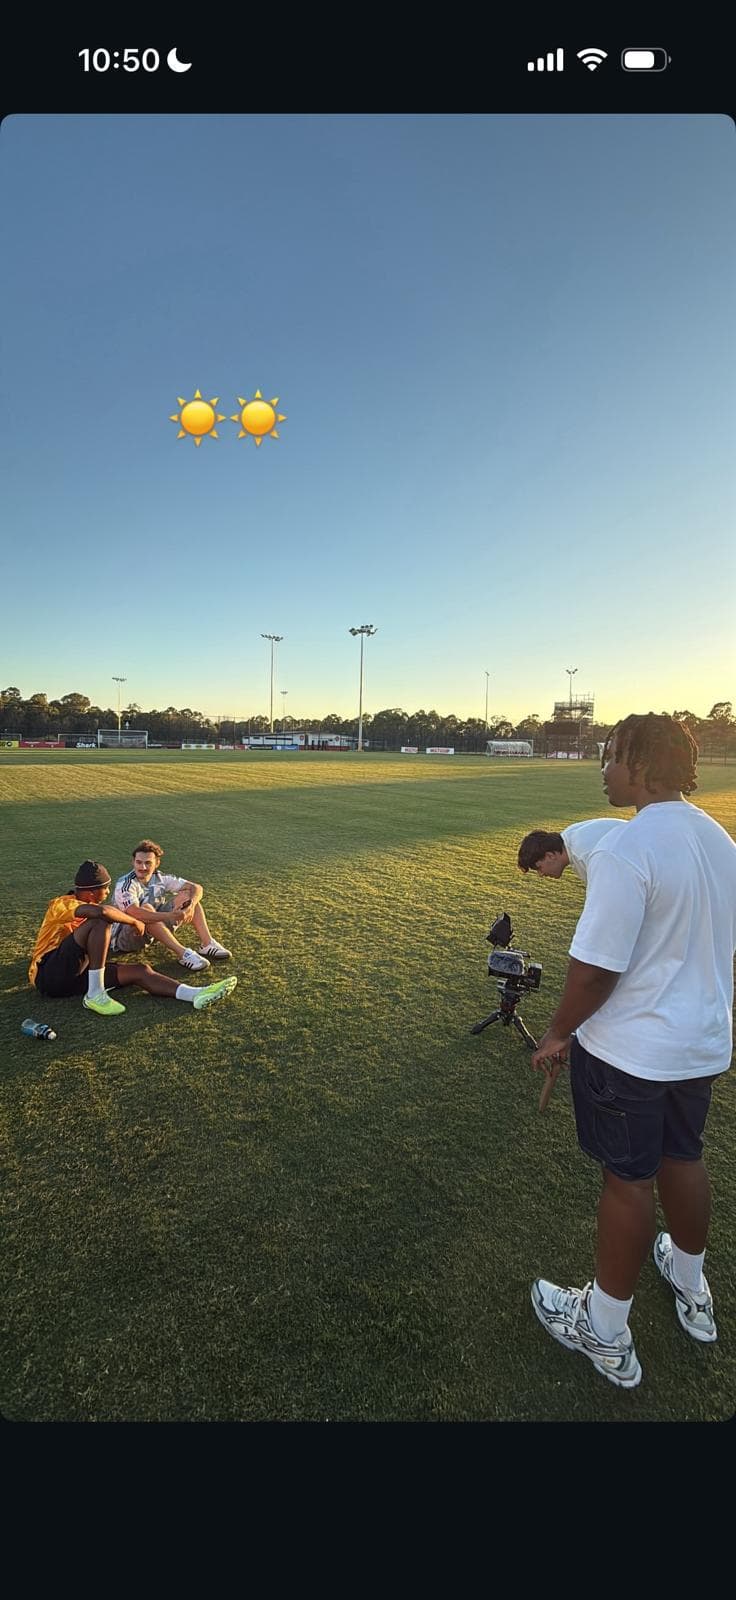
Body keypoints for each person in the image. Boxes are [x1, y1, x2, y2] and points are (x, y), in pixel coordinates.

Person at [527, 713, 736, 1389]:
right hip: (700, 1045)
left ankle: (606, 1330)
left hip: (631, 1052)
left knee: (628, 1181)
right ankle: (691, 1283)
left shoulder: (627, 847)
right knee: (684, 1156)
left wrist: (557, 1033)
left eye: (611, 756)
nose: (604, 769)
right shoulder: (720, 841)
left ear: (642, 766)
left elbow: (594, 972)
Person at [29, 860, 237, 1016]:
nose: (108, 892)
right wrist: (134, 922)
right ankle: (95, 994)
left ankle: (195, 994)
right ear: (92, 893)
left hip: (75, 976)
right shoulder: (61, 904)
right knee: (100, 920)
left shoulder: (90, 904)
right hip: (48, 974)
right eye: (105, 888)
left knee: (140, 970)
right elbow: (103, 912)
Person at [110, 840, 232, 972]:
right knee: (147, 910)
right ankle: (183, 954)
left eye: (148, 863)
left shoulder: (160, 878)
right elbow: (136, 913)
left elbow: (196, 887)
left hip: (154, 930)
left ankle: (207, 944)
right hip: (127, 939)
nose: (143, 867)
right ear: (133, 862)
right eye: (139, 862)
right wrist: (171, 915)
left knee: (188, 896)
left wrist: (191, 905)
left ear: (157, 863)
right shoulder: (126, 884)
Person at [518, 818, 624, 884]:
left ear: (550, 856)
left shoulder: (583, 855)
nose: (541, 874)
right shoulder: (570, 835)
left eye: (539, 868)